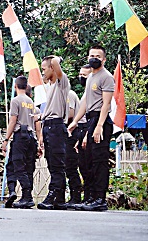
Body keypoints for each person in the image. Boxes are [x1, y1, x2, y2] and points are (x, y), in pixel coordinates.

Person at [68, 46, 114, 211]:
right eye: (91, 55)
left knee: (100, 161)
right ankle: (92, 197)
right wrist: (75, 121)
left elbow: (106, 104)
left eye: (98, 56)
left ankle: (100, 199)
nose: (94, 58)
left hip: (101, 120)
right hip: (90, 119)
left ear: (104, 59)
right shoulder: (90, 78)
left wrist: (99, 125)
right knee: (89, 161)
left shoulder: (106, 77)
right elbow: (85, 102)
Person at [2, 76, 42, 209]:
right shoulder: (30, 101)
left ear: (15, 86)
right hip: (30, 137)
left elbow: (13, 121)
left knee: (18, 166)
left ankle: (27, 195)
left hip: (20, 136)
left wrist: (6, 139)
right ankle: (23, 195)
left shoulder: (16, 100)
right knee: (28, 167)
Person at [37, 56, 70, 210]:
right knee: (52, 164)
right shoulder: (50, 87)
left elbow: (56, 63)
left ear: (52, 68)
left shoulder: (61, 83)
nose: (42, 72)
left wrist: (56, 59)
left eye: (44, 69)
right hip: (48, 126)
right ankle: (60, 198)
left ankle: (53, 194)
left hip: (57, 127)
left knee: (57, 164)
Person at [74, 64, 93, 206]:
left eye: (84, 76)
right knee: (82, 167)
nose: (81, 78)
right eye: (80, 75)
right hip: (80, 131)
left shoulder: (93, 93)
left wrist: (86, 134)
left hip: (89, 129)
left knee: (89, 167)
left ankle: (90, 197)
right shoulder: (85, 93)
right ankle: (86, 198)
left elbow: (91, 117)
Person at [64, 83, 83, 207]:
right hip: (67, 132)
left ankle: (76, 196)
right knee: (67, 166)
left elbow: (70, 114)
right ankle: (73, 195)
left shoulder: (69, 94)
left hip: (73, 131)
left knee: (71, 166)